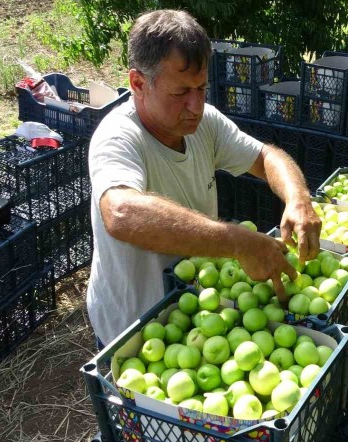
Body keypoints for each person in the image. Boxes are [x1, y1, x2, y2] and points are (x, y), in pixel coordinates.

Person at [88, 9, 321, 347]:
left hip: (200, 314)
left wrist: (298, 199)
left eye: (202, 88)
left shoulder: (204, 124)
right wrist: (238, 242)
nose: (196, 105)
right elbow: (121, 213)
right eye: (181, 92)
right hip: (135, 328)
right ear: (138, 83)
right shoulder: (118, 137)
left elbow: (267, 156)